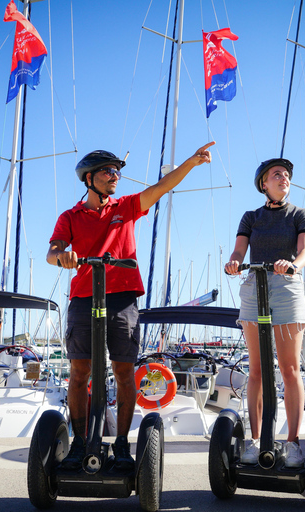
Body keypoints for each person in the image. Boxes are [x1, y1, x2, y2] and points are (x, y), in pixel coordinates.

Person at [48, 141, 215, 471]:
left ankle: (122, 444)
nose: (115, 177)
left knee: (125, 373)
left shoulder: (125, 208)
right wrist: (62, 257)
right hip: (83, 299)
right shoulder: (70, 216)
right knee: (80, 373)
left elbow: (162, 187)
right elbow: (52, 251)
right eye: (109, 172)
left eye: (117, 173)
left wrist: (191, 162)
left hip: (123, 299)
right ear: (89, 178)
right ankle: (80, 444)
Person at [223, 158, 305, 468]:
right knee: (257, 370)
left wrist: (293, 265)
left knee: (289, 369)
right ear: (264, 183)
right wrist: (234, 262)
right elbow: (239, 250)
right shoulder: (251, 217)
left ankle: (293, 444)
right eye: (277, 174)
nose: (283, 178)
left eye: (287, 175)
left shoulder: (300, 214)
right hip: (254, 286)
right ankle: (254, 441)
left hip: (287, 286)